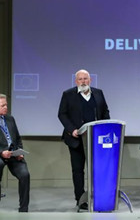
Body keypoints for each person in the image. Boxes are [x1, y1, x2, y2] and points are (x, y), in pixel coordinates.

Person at [58, 69, 110, 209]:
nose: (83, 81)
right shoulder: (68, 94)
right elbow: (62, 114)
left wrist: (105, 128)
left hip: (96, 139)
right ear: (76, 81)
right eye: (80, 79)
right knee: (78, 170)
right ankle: (81, 200)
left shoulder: (98, 93)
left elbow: (105, 112)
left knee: (98, 169)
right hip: (76, 139)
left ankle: (100, 196)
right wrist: (72, 129)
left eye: (85, 79)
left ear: (90, 80)